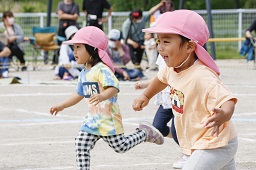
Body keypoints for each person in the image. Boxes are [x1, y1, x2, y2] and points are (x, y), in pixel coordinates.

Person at [132, 10, 238, 170]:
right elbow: (161, 79)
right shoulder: (172, 68)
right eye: (158, 41)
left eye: (166, 42)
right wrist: (146, 95)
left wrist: (224, 114)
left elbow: (227, 99)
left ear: (189, 46)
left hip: (215, 143)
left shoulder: (202, 75)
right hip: (200, 142)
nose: (159, 47)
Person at [49, 26, 164, 170]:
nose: (74, 52)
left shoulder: (102, 69)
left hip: (108, 119)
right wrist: (62, 106)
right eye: (74, 47)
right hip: (92, 120)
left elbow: (114, 87)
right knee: (81, 143)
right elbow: (78, 94)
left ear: (92, 50)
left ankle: (144, 133)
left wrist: (102, 95)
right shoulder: (84, 72)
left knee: (120, 146)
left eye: (78, 47)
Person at [122, 0, 166, 70]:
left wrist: (160, 5)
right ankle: (135, 63)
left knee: (142, 48)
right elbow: (125, 38)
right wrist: (133, 43)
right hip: (131, 41)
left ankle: (139, 64)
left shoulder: (142, 18)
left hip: (141, 40)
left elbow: (151, 11)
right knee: (130, 47)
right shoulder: (127, 24)